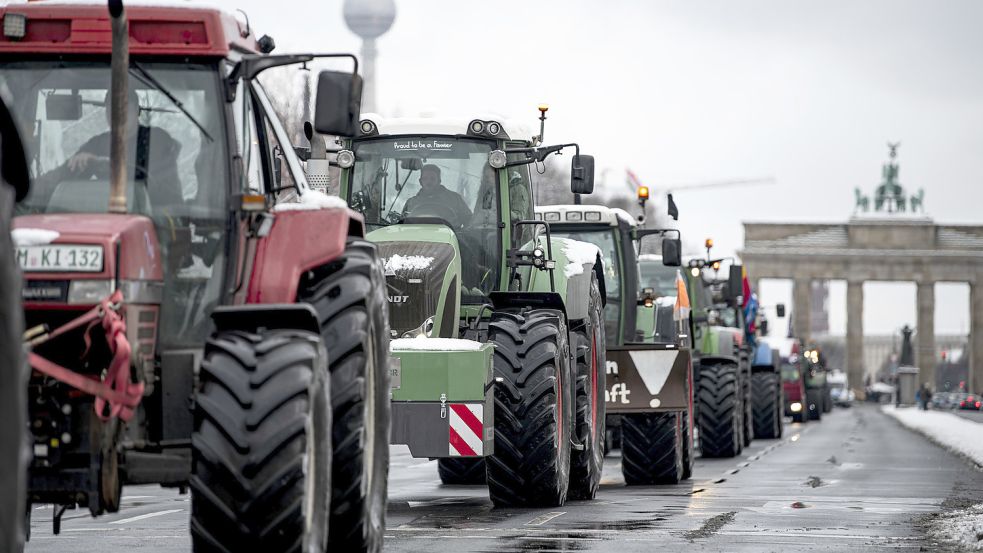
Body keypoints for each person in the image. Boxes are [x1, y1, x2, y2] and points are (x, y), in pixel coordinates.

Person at [42, 88, 183, 212]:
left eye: (124, 106)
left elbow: (158, 187)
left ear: (137, 110)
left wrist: (108, 164)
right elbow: (61, 174)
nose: (117, 112)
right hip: (107, 219)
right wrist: (29, 188)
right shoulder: (98, 143)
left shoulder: (156, 140)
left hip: (157, 219)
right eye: (111, 107)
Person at [403, 164, 471, 228]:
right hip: (415, 239)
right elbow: (402, 225)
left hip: (449, 239)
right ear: (420, 181)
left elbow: (469, 222)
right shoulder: (411, 203)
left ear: (439, 181)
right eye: (425, 178)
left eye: (432, 178)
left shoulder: (455, 199)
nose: (428, 182)